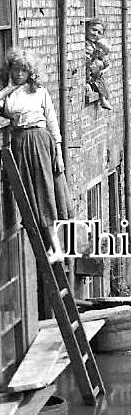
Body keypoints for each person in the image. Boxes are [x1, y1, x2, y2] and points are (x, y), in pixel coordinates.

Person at [0, 47, 71, 262]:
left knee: (45, 191)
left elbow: (52, 123)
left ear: (30, 71)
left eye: (23, 70)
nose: (19, 74)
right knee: (30, 195)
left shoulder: (40, 92)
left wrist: (58, 153)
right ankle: (51, 246)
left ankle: (57, 248)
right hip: (20, 144)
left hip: (40, 141)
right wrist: (8, 88)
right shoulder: (9, 95)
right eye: (15, 70)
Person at [85, 18, 113, 109]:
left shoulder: (98, 45)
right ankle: (103, 99)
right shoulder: (84, 44)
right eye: (93, 30)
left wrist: (104, 70)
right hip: (88, 74)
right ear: (87, 28)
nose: (95, 34)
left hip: (95, 74)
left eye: (99, 32)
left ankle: (103, 99)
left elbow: (107, 63)